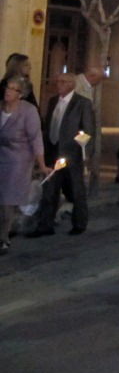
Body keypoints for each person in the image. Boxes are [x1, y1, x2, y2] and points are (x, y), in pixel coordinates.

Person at [32, 72, 96, 236]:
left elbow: (88, 131)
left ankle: (79, 223)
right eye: (57, 81)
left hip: (71, 154)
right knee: (50, 188)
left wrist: (78, 150)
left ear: (71, 84)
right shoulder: (53, 101)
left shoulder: (82, 103)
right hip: (53, 151)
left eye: (62, 81)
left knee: (76, 188)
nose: (58, 84)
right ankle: (45, 224)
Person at [0, 77, 47, 254]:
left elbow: (36, 138)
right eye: (7, 87)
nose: (8, 91)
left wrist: (41, 164)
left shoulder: (28, 111)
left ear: (21, 94)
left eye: (13, 89)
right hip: (1, 156)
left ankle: (3, 237)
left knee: (7, 200)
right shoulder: (0, 107)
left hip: (18, 160)